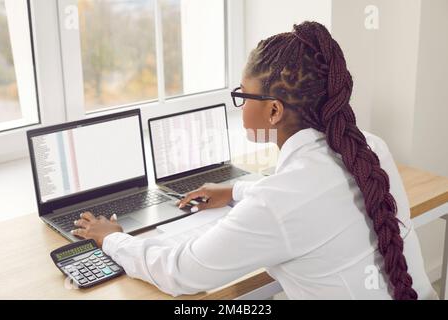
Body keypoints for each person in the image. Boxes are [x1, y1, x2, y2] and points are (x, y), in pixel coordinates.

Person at [71, 21, 438, 300]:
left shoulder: (280, 203)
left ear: (274, 111)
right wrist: (235, 189)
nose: (240, 102)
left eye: (243, 94)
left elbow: (180, 272)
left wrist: (113, 239)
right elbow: (309, 197)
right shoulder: (368, 148)